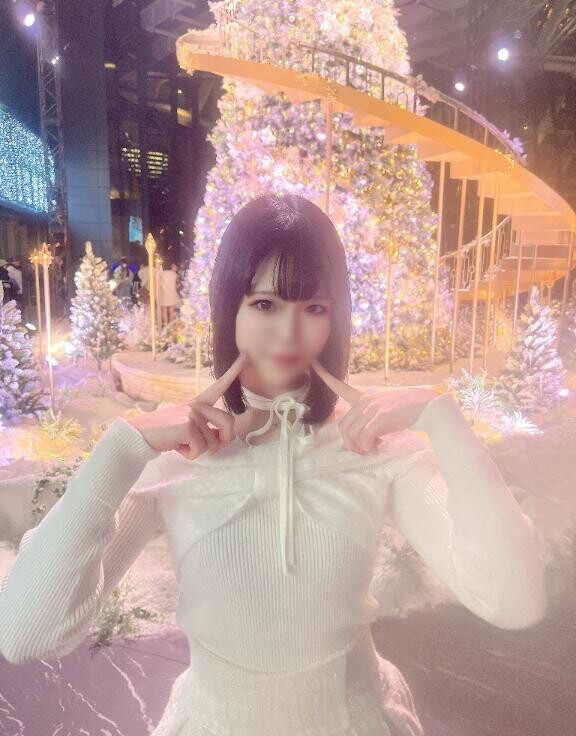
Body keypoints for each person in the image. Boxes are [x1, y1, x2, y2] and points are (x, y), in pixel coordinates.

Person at [0, 193, 547, 735]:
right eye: (265, 304)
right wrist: (122, 449)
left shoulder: (372, 448)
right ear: (229, 309)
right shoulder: (175, 455)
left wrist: (442, 419)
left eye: (314, 308)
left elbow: (514, 600)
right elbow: (26, 633)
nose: (289, 333)